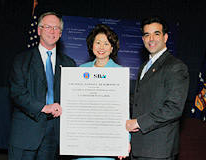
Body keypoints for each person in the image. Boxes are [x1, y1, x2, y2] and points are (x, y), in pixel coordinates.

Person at [8, 12, 76, 160]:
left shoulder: (69, 64)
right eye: (48, 27)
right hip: (25, 133)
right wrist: (44, 107)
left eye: (56, 28)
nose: (52, 31)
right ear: (39, 30)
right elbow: (17, 94)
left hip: (53, 136)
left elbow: (72, 97)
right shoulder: (21, 60)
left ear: (61, 33)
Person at [126, 16, 189, 160]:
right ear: (143, 40)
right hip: (139, 148)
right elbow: (139, 100)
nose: (151, 39)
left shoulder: (176, 67)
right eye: (147, 35)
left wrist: (138, 122)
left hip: (158, 151)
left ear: (165, 37)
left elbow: (173, 108)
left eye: (156, 34)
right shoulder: (144, 67)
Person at [75, 24, 121, 160]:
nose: (101, 47)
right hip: (82, 138)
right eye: (98, 43)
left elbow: (123, 110)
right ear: (91, 45)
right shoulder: (81, 70)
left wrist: (125, 140)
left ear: (112, 47)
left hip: (107, 139)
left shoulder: (119, 72)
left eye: (106, 44)